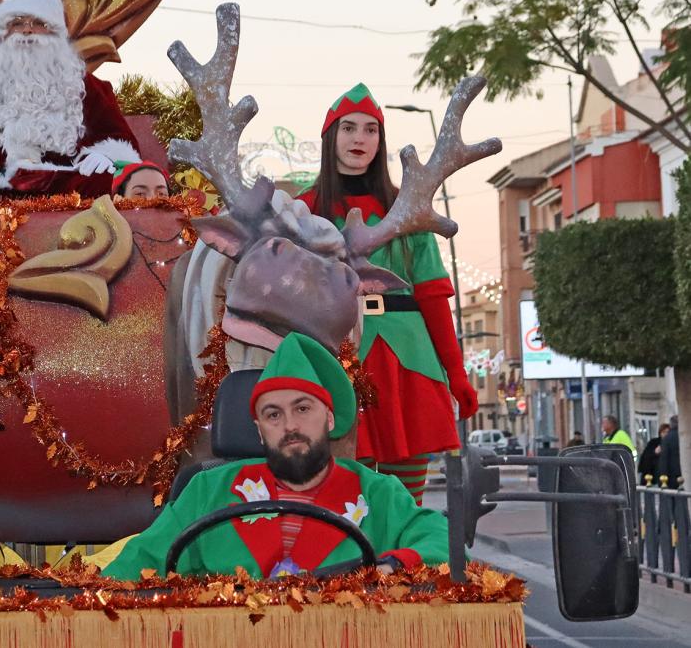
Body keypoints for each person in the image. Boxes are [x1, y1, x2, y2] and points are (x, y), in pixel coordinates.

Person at [102, 333, 449, 579]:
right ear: (258, 428)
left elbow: (444, 542)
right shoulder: (205, 491)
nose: (289, 426)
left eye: (302, 408)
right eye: (273, 414)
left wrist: (395, 565)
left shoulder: (379, 493)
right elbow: (138, 562)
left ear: (329, 418)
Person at [295, 84, 477, 504]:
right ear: (331, 137)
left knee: (404, 493)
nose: (360, 139)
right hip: (334, 353)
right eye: (349, 128)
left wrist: (457, 371)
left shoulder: (409, 205)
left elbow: (432, 294)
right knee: (342, 483)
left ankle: (402, 564)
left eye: (371, 130)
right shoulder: (303, 207)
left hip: (405, 357)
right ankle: (353, 567)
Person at [0, 0, 141, 200]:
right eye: (17, 23)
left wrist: (107, 157)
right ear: (2, 34)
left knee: (102, 179)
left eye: (39, 23)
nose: (27, 30)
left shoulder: (89, 89)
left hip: (67, 190)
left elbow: (125, 145)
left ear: (56, 34)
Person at [658, 415, 681, 487]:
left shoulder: (667, 439)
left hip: (672, 477)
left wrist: (662, 480)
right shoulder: (685, 436)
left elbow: (664, 460)